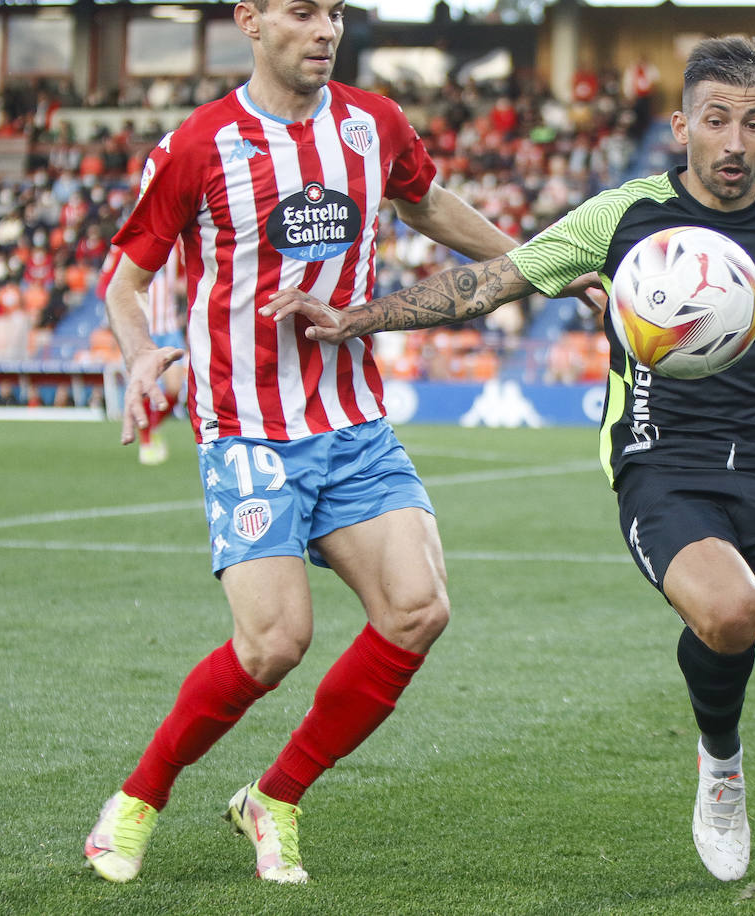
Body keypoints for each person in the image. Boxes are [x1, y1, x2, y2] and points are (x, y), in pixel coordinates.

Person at [265, 35, 755, 914]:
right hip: (664, 466)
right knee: (728, 612)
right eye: (715, 120)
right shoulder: (622, 218)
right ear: (682, 124)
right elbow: (492, 283)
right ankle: (721, 757)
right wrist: (355, 319)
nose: (733, 142)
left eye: (753, 123)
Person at [83, 0, 543, 885]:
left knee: (418, 608)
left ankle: (276, 796)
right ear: (251, 20)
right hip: (247, 427)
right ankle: (139, 797)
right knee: (273, 644)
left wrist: (541, 266)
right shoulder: (198, 145)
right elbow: (126, 278)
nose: (326, 29)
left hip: (353, 423)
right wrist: (142, 356)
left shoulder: (375, 125)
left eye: (335, 12)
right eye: (304, 12)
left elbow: (431, 204)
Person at [96, 245, 186, 465]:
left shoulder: (177, 245)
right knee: (145, 389)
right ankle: (146, 442)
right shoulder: (125, 245)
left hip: (170, 328)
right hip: (143, 330)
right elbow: (105, 286)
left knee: (175, 388)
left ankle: (152, 426)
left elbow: (184, 280)